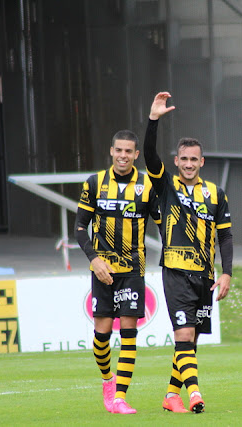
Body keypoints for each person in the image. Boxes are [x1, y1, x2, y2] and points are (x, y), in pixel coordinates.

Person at [143, 92, 233, 414]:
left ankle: (171, 395)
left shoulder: (215, 194)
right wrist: (153, 120)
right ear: (177, 161)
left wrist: (226, 272)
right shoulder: (166, 187)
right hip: (176, 270)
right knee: (183, 333)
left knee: (190, 341)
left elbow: (225, 237)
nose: (190, 164)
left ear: (202, 162)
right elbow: (150, 157)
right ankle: (195, 394)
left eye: (195, 159)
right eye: (184, 159)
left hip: (205, 277)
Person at [75, 129, 160, 415]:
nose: (123, 156)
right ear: (111, 152)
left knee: (128, 332)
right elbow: (79, 228)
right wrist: (95, 260)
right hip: (102, 271)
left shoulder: (147, 186)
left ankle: (120, 398)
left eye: (129, 152)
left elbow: (163, 224)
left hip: (133, 269)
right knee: (101, 337)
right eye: (119, 151)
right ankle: (107, 380)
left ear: (136, 155)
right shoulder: (94, 183)